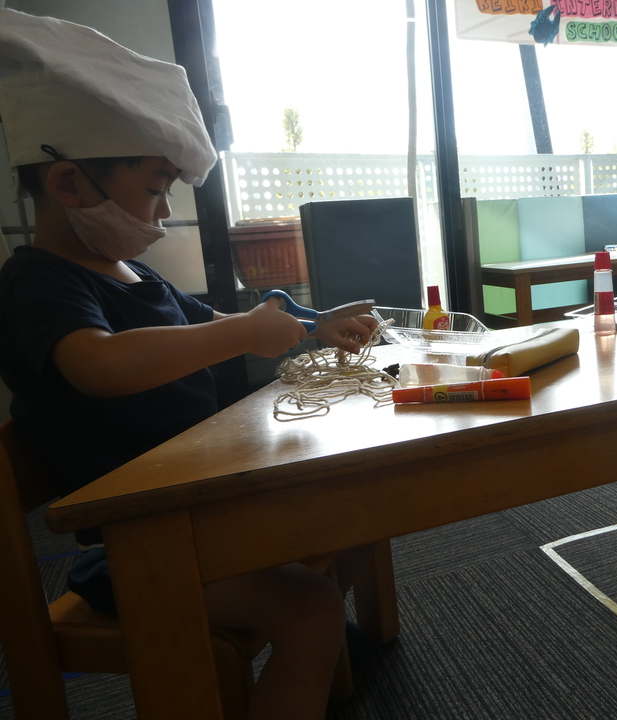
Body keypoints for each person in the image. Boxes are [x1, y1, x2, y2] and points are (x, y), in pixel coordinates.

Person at [0, 10, 376, 719]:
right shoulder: (40, 281)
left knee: (362, 509)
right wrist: (242, 336)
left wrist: (312, 325)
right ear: (70, 184)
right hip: (143, 542)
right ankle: (311, 642)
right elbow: (98, 365)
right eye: (154, 188)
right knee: (311, 611)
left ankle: (314, 663)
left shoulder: (137, 276)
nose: (163, 209)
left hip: (200, 502)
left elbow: (216, 324)